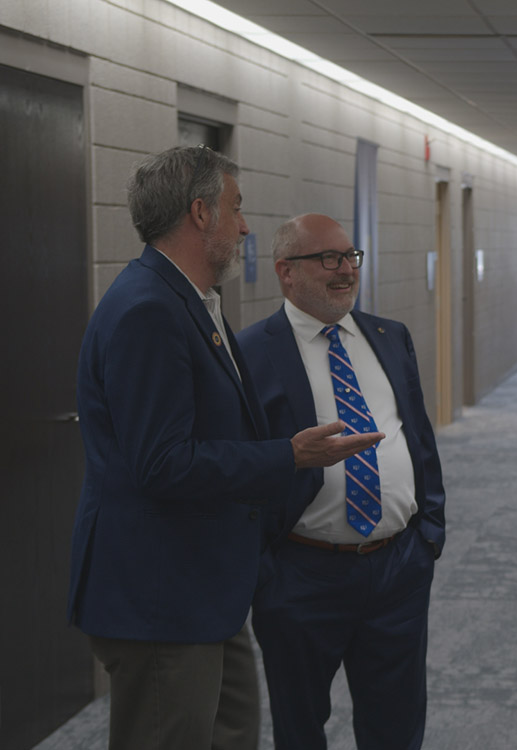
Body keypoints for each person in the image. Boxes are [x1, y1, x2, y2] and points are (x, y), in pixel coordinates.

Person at [68, 146, 383, 750]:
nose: (245, 228)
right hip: (161, 594)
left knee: (233, 729)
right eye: (236, 210)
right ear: (200, 213)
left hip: (206, 584)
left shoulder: (189, 301)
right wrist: (287, 455)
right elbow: (163, 464)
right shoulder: (148, 310)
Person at [237, 214, 446, 750]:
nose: (344, 271)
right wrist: (266, 571)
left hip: (399, 568)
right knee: (301, 726)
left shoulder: (388, 336)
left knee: (396, 724)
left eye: (350, 256)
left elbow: (419, 438)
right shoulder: (251, 352)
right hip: (302, 574)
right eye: (327, 259)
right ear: (286, 272)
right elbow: (240, 462)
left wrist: (429, 532)